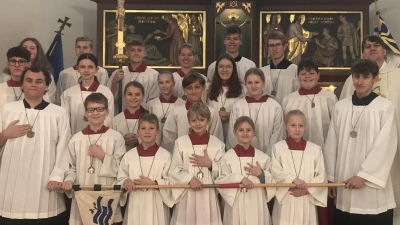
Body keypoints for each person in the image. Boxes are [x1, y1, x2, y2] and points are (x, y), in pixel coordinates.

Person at [325, 59, 397, 225]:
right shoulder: (340, 107)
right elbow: (331, 144)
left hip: (371, 185)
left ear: (375, 79)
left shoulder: (384, 107)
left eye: (365, 77)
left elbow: (385, 146)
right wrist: (331, 178)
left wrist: (363, 176)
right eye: (356, 76)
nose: (359, 81)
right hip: (344, 180)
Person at [339, 36, 400, 223]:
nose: (372, 49)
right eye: (367, 47)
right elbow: (342, 123)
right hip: (353, 150)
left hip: (390, 143)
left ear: (384, 50)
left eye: (376, 46)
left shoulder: (398, 75)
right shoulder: (351, 81)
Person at [0, 65, 71, 225]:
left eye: (39, 81)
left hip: (45, 184)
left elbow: (64, 149)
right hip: (10, 185)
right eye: (29, 80)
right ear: (22, 84)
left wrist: (57, 176)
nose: (33, 84)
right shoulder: (6, 110)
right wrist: (5, 134)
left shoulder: (59, 113)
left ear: (46, 86)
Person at [62, 93, 125, 225]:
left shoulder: (116, 137)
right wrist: (68, 179)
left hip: (107, 195)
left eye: (100, 109)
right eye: (91, 109)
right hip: (83, 194)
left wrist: (103, 156)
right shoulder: (76, 139)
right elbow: (70, 166)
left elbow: (122, 169)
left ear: (107, 111)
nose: (95, 113)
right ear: (85, 113)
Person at [169, 102, 224, 225]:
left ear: (208, 120)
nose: (198, 123)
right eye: (194, 120)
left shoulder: (217, 144)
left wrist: (210, 164)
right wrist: (189, 179)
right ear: (189, 121)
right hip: (187, 192)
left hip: (208, 194)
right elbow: (174, 169)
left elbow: (224, 172)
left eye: (201, 119)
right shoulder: (181, 142)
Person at [216, 116, 275, 225]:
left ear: (254, 133)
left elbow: (273, 181)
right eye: (241, 130)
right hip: (236, 205)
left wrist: (261, 174)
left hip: (257, 202)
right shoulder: (227, 157)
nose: (245, 133)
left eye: (249, 130)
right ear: (234, 132)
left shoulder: (263, 157)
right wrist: (240, 179)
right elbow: (221, 180)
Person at [271, 109, 327, 225]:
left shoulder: (315, 149)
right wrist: (293, 179)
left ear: (305, 126)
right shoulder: (278, 148)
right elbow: (275, 172)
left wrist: (306, 190)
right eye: (293, 125)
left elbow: (321, 176)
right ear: (285, 126)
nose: (297, 129)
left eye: (300, 125)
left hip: (306, 198)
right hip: (287, 197)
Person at [117, 113, 174, 225]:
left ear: (158, 132)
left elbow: (172, 182)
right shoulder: (129, 156)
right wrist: (125, 181)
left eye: (151, 128)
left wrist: (155, 183)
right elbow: (121, 177)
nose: (147, 132)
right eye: (143, 128)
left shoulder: (166, 156)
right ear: (138, 132)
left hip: (157, 205)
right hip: (135, 203)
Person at [226, 68, 285, 156]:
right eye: (249, 83)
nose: (253, 86)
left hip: (269, 158)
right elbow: (232, 135)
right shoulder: (238, 107)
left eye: (257, 82)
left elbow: (277, 135)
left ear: (264, 83)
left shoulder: (275, 106)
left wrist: (266, 158)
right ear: (245, 84)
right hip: (242, 157)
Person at [282, 59, 337, 148]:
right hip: (294, 150)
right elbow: (284, 129)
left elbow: (335, 127)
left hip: (324, 147)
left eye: (311, 73)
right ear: (297, 76)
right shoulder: (288, 100)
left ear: (318, 75)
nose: (307, 77)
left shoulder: (330, 98)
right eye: (303, 74)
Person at [162, 72, 224, 152]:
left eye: (197, 87)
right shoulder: (176, 113)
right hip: (182, 155)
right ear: (184, 89)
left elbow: (216, 138)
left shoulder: (212, 113)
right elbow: (169, 139)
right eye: (189, 88)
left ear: (203, 87)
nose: (193, 91)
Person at [60, 53, 114, 135]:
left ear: (96, 69)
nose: (86, 70)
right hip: (75, 138)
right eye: (82, 67)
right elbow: (65, 122)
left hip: (100, 137)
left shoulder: (106, 92)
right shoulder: (68, 94)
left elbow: (108, 119)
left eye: (90, 67)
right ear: (77, 69)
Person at [56, 36, 109, 105]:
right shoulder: (65, 73)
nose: (81, 50)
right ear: (75, 49)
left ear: (91, 50)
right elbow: (60, 98)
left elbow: (104, 93)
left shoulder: (102, 72)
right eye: (78, 47)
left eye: (85, 47)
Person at [107, 40, 158, 110]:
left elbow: (154, 100)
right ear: (127, 53)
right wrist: (114, 82)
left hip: (145, 116)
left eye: (139, 50)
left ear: (144, 53)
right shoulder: (118, 73)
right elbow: (110, 98)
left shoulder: (154, 75)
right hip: (123, 115)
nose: (136, 53)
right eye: (133, 50)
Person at [207, 53, 245, 141]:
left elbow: (246, 112)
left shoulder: (243, 89)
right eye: (221, 66)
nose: (225, 70)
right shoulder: (208, 88)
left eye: (228, 67)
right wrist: (215, 115)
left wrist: (231, 115)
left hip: (234, 131)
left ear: (233, 69)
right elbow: (202, 109)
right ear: (216, 69)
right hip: (213, 130)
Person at [146, 71, 185, 145]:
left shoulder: (182, 104)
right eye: (161, 83)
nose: (164, 85)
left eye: (167, 82)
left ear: (173, 83)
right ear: (158, 84)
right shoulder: (150, 104)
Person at [261, 31, 299, 105]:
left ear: (285, 46)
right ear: (268, 48)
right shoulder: (262, 72)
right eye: (271, 45)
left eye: (278, 45)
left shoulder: (294, 70)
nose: (274, 48)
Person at [111, 81, 148, 151]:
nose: (133, 98)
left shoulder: (149, 119)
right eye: (130, 94)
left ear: (143, 97)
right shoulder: (115, 120)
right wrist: (122, 140)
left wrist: (138, 141)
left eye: (137, 94)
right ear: (124, 96)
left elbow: (155, 140)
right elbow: (112, 143)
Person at [19, 38, 58, 104]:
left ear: (38, 51)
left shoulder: (46, 75)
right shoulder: (8, 74)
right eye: (25, 47)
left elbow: (51, 98)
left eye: (32, 48)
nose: (28, 50)